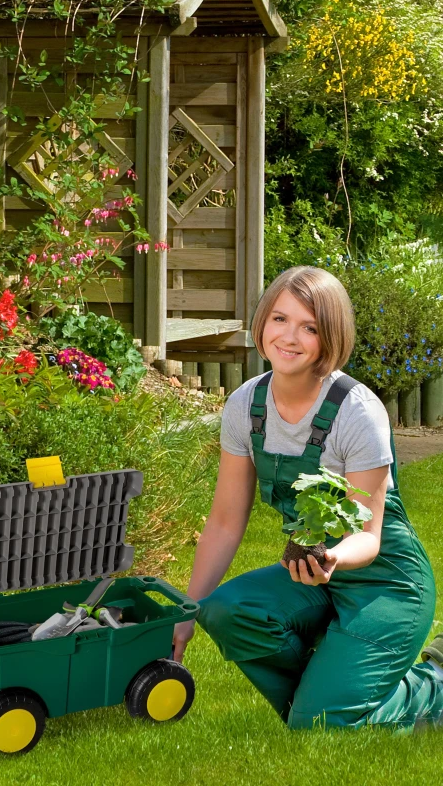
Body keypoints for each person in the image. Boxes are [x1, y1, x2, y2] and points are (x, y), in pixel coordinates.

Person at [172, 265, 443, 730]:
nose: (289, 337)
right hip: (310, 577)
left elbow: (369, 537)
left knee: (323, 725)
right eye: (279, 319)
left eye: (310, 327)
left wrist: (332, 556)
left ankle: (433, 682)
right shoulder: (245, 407)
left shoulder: (357, 412)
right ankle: (327, 688)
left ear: (330, 336)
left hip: (385, 585)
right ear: (262, 323)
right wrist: (186, 615)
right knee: (227, 609)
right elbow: (224, 521)